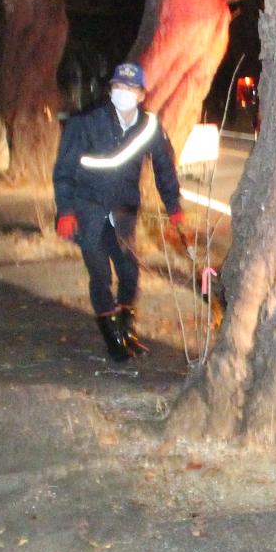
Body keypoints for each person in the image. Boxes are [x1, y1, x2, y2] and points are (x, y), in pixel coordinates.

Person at [52, 63, 187, 362]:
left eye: (130, 89)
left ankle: (126, 327)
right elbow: (64, 170)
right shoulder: (86, 122)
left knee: (129, 271)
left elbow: (164, 169)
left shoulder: (150, 127)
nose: (123, 94)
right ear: (111, 90)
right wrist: (66, 210)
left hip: (123, 211)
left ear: (141, 95)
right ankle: (112, 337)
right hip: (87, 209)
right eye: (118, 88)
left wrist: (174, 206)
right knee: (99, 273)